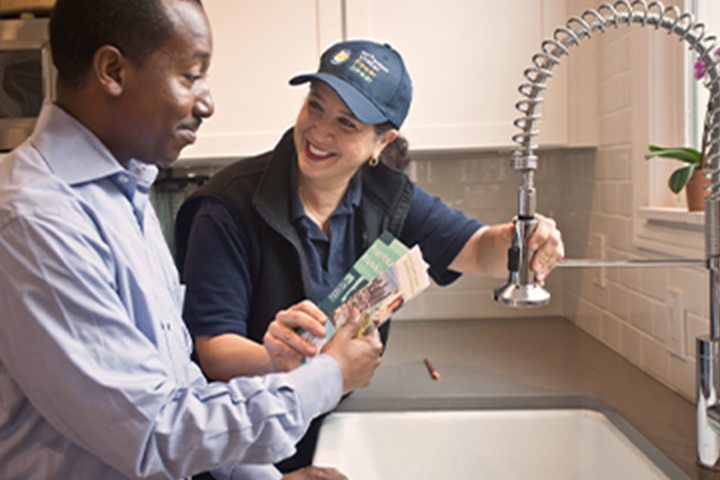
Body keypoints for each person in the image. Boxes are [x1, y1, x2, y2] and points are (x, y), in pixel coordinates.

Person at [0, 1, 384, 479]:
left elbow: (179, 392)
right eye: (191, 75)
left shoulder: (127, 194)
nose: (207, 102)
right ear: (112, 71)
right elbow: (153, 433)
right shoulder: (35, 220)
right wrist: (326, 377)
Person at [174, 39, 565, 475]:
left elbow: (475, 249)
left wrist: (521, 242)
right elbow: (212, 351)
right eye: (315, 106)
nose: (319, 132)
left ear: (383, 141)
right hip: (244, 446)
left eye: (347, 122)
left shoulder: (387, 196)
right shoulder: (226, 208)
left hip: (330, 427)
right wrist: (288, 362)